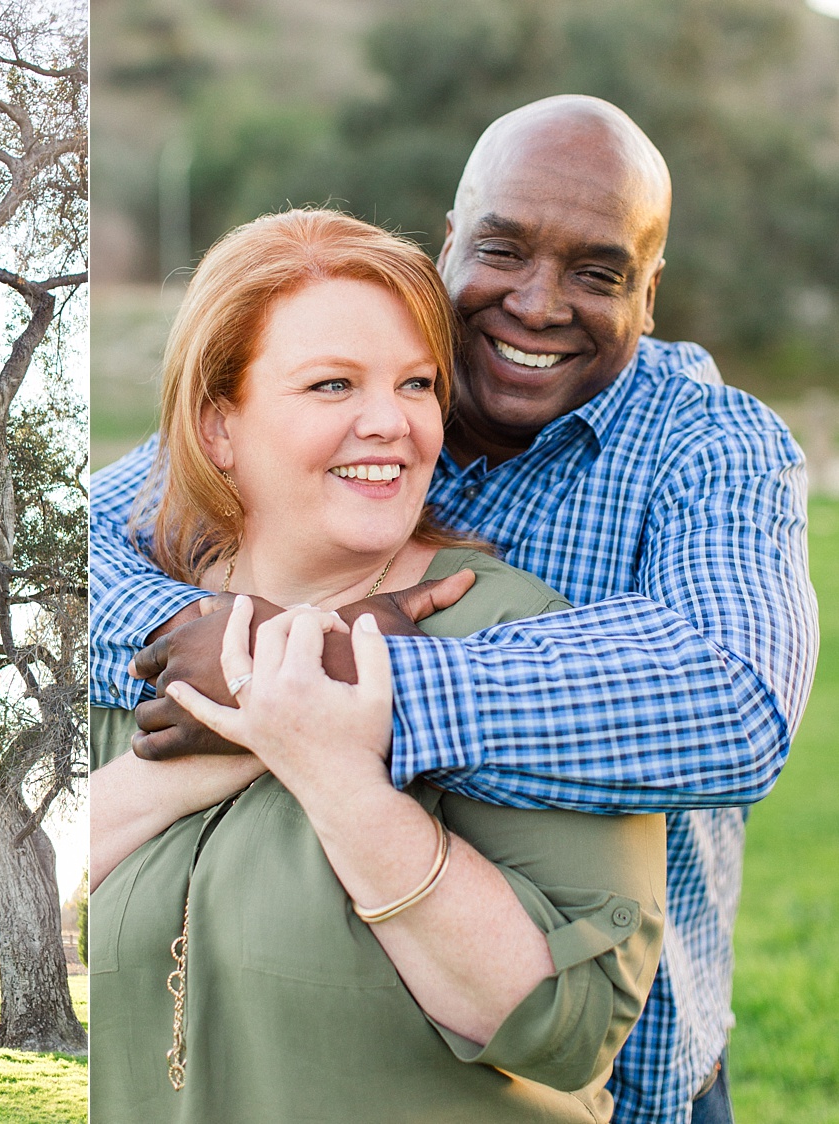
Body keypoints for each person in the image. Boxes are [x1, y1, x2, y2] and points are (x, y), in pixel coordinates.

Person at [89, 95, 819, 1124]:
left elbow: (734, 698)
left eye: (598, 272)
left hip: (631, 1055)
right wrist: (256, 666)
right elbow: (91, 545)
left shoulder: (708, 443)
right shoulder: (351, 389)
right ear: (449, 242)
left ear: (650, 293)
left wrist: (354, 678)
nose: (536, 301)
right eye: (503, 250)